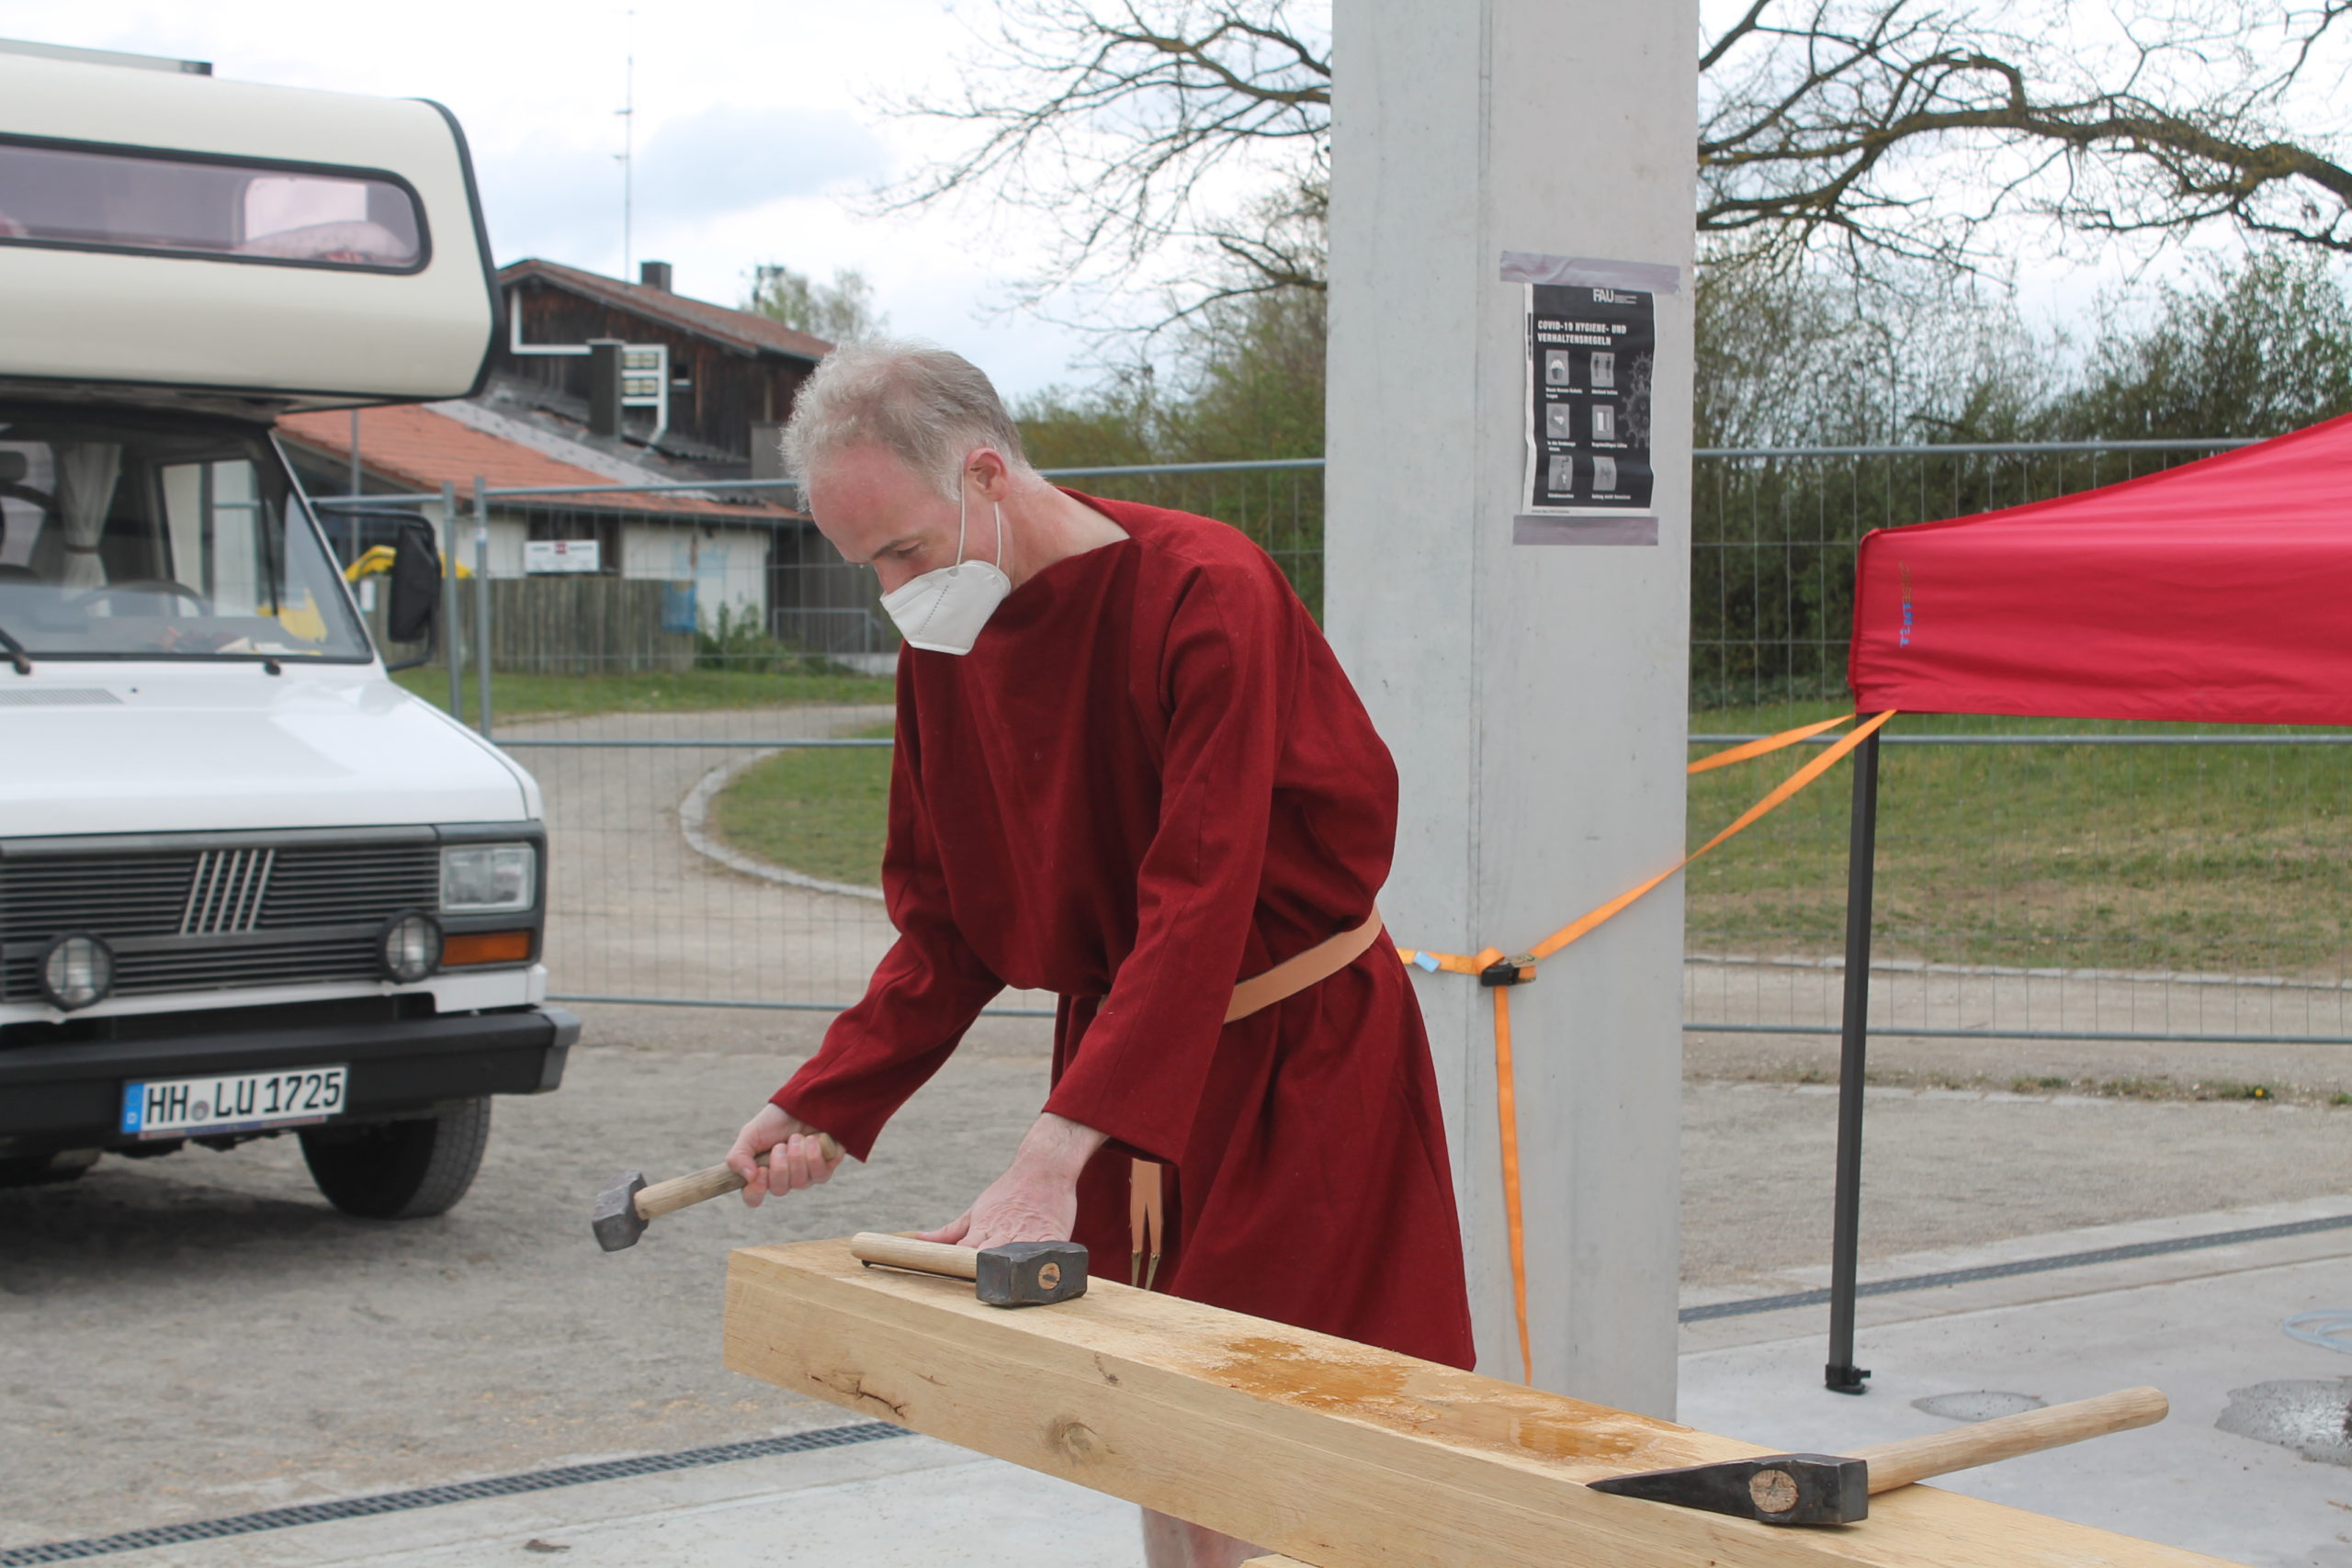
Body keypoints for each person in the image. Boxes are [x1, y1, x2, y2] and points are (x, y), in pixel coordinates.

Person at [725, 342, 1474, 1568]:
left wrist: (1054, 1149)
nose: (894, 591)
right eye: (868, 567)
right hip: (1127, 1065)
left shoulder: (1206, 592)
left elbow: (1203, 892)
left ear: (984, 473)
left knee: (1319, 1418)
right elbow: (948, 919)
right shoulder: (946, 644)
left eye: (902, 550)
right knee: (1152, 1418)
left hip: (1301, 1060)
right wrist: (827, 1097)